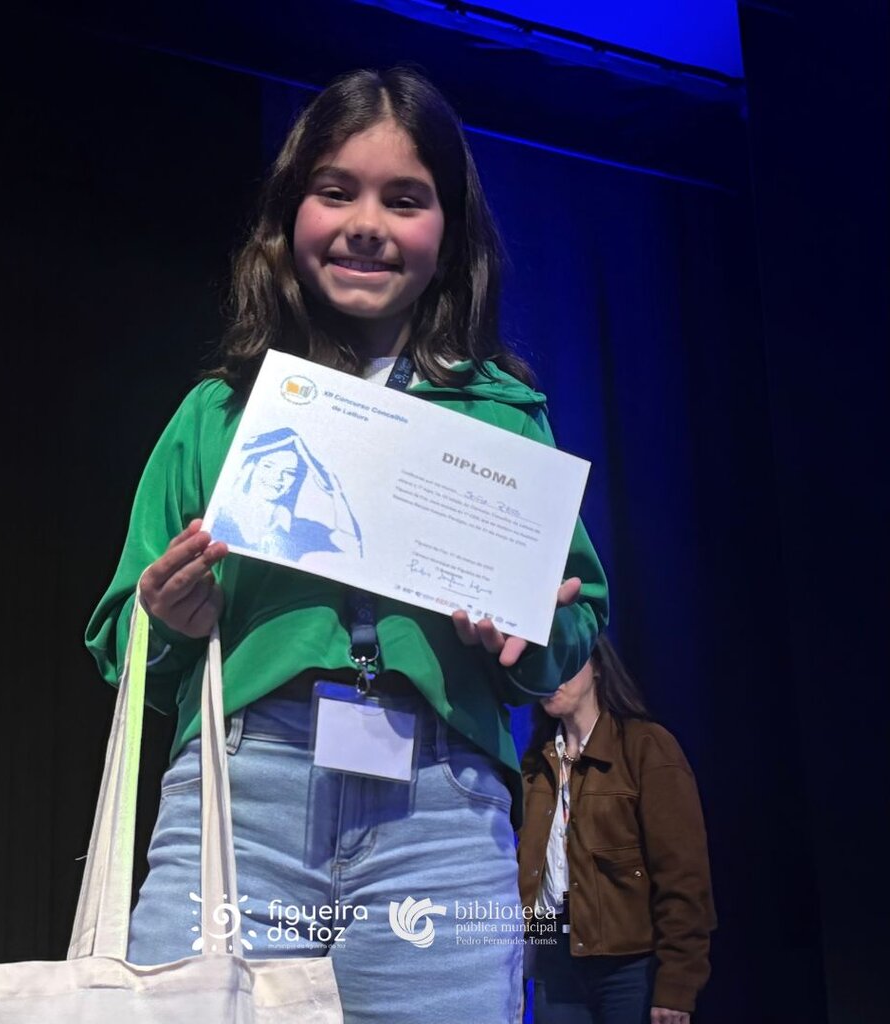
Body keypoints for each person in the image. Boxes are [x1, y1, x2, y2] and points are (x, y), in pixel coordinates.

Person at [86, 67, 608, 1024]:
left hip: (440, 815)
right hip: (244, 798)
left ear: (448, 231)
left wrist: (530, 633)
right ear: (292, 215)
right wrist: (163, 618)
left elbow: (576, 626)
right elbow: (122, 637)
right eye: (336, 192)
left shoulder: (504, 417)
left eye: (404, 200)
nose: (367, 223)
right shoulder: (219, 412)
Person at [517, 636, 715, 1024]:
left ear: (596, 667)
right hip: (555, 962)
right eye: (541, 667)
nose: (550, 677)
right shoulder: (535, 765)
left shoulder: (645, 746)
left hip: (630, 965)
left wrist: (677, 983)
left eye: (563, 662)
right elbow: (526, 874)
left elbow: (683, 874)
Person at [209, 428, 363, 561]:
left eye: (289, 472)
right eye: (268, 466)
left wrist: (336, 493)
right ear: (250, 467)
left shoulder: (300, 529)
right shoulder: (219, 517)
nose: (277, 477)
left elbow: (351, 547)